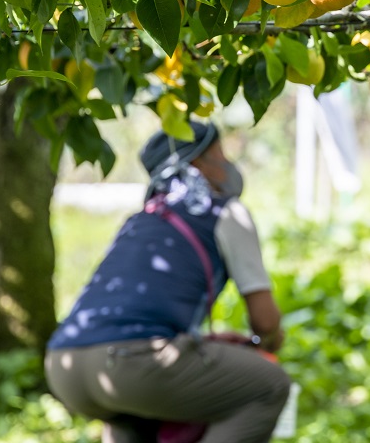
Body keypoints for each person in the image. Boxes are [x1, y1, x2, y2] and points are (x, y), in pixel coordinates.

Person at [45, 121, 290, 443]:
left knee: (134, 417)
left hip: (64, 365)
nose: (227, 161)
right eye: (219, 152)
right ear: (197, 163)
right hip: (132, 365)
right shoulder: (226, 213)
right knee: (268, 386)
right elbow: (265, 321)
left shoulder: (142, 218)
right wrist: (265, 342)